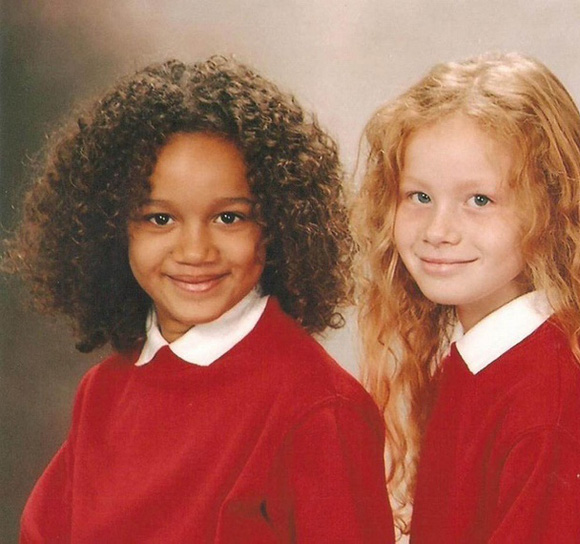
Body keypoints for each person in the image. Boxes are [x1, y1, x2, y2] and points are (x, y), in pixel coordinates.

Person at [5, 56, 394, 543]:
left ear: (279, 226)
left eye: (229, 218)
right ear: (111, 228)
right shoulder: (102, 393)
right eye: (160, 219)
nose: (194, 251)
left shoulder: (319, 410)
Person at [353, 51, 580, 542]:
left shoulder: (549, 409)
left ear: (550, 209)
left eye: (479, 200)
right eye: (419, 196)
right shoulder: (478, 361)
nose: (438, 230)